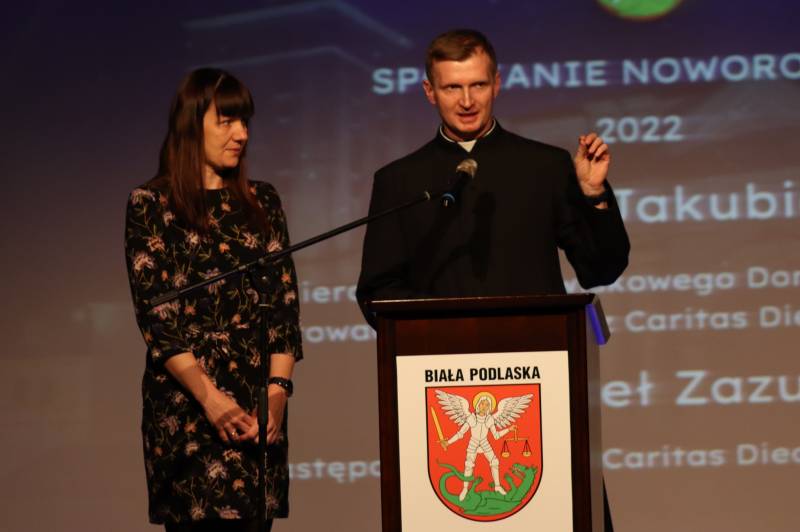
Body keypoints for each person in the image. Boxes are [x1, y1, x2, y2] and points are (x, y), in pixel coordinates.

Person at [356, 29, 629, 530]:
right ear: (429, 91)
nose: (466, 100)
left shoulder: (545, 166)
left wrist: (593, 196)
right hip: (441, 384)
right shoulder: (398, 181)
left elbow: (601, 268)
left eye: (477, 85)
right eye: (452, 87)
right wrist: (435, 337)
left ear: (497, 84)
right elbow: (376, 291)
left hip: (543, 383)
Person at [124, 68, 302, 532]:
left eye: (245, 122)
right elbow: (156, 317)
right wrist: (210, 399)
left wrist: (276, 395)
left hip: (256, 412)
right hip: (187, 411)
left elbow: (284, 309)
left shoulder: (263, 201)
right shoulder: (150, 204)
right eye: (226, 121)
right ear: (192, 123)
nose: (241, 134)